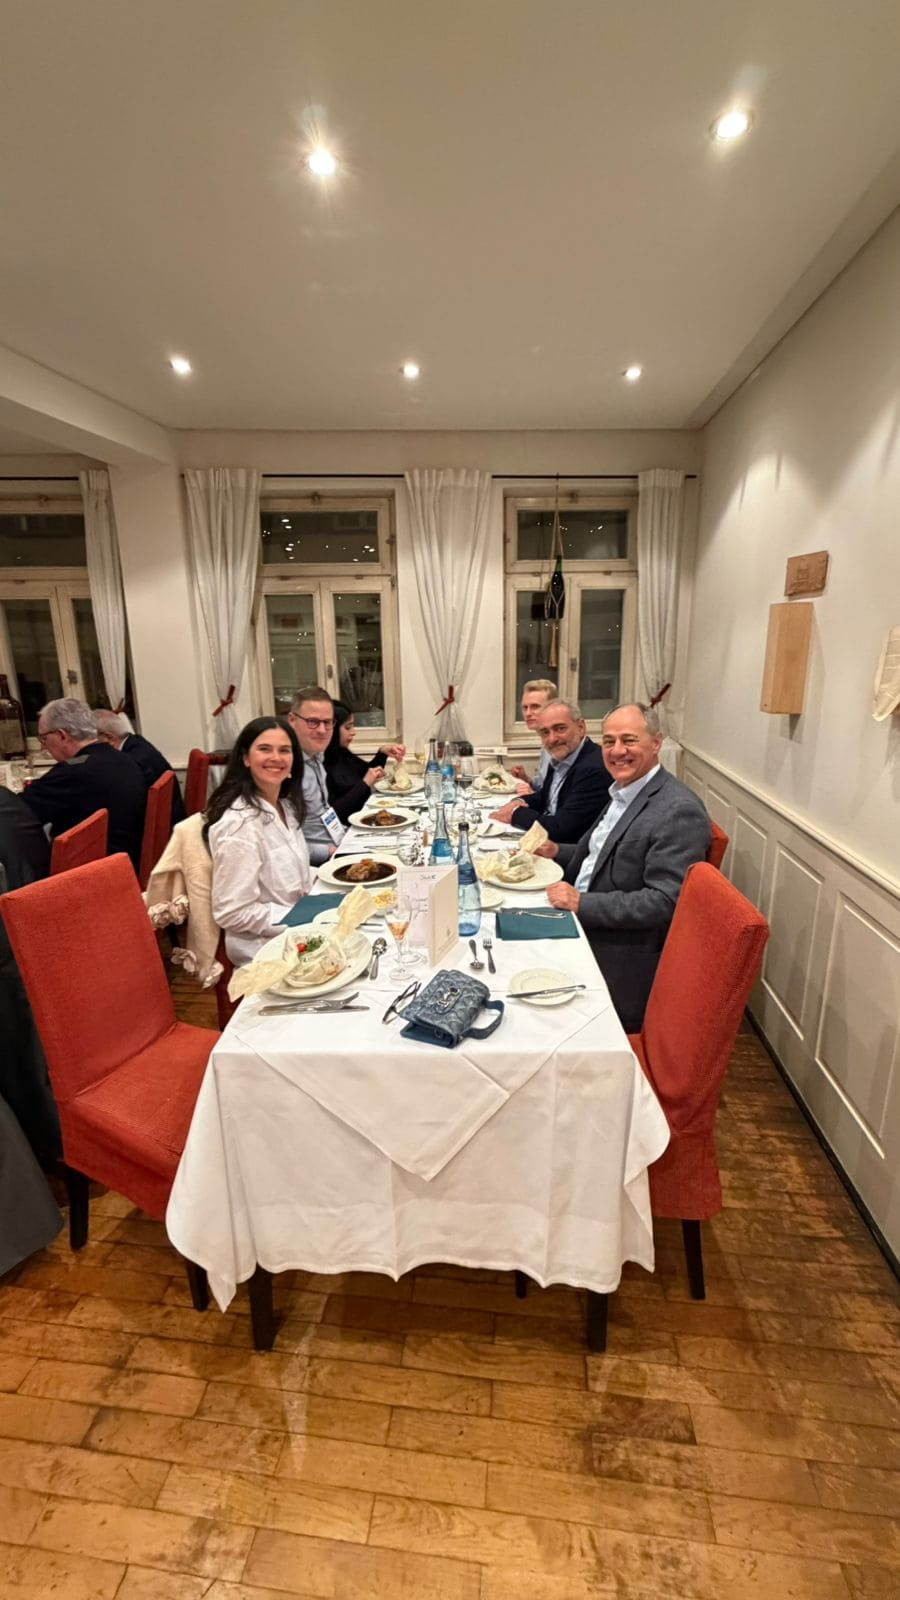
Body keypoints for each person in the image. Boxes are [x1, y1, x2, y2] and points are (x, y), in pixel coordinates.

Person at [540, 702, 711, 1032]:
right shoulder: (624, 790)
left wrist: (582, 902)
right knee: (499, 929)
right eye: (609, 741)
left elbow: (666, 902)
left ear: (656, 743)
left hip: (616, 948)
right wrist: (556, 850)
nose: (617, 751)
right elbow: (599, 854)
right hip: (578, 917)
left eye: (629, 740)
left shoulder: (677, 810)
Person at [206, 716, 312, 966]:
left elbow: (292, 874)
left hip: (301, 933)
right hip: (266, 953)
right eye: (265, 749)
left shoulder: (286, 807)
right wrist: (301, 918)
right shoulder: (240, 825)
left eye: (284, 750)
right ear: (245, 758)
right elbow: (232, 912)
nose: (276, 758)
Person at [23, 697, 149, 873]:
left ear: (61, 735)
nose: (44, 747)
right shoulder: (122, 758)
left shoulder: (72, 772)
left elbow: (20, 812)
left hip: (93, 872)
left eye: (44, 738)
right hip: (126, 860)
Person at [490, 698, 611, 844]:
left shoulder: (594, 768)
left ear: (580, 727)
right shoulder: (563, 756)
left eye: (560, 729)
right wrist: (519, 801)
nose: (552, 739)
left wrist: (515, 813)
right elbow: (547, 797)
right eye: (545, 732)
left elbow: (563, 829)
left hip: (568, 851)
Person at [93, 708, 186, 822]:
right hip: (168, 819)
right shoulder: (137, 742)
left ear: (109, 738)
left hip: (159, 824)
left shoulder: (131, 761)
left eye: (94, 740)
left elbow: (129, 806)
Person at [286, 685, 344, 864]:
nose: (322, 730)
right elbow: (284, 844)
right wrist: (331, 852)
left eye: (327, 722)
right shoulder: (285, 769)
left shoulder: (316, 756)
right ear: (292, 720)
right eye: (313, 722)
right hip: (316, 862)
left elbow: (323, 814)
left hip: (337, 841)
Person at [323, 700, 406, 823]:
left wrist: (382, 753)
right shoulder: (323, 763)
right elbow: (335, 813)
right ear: (333, 729)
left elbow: (364, 772)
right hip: (347, 826)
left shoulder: (341, 752)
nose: (353, 732)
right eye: (348, 727)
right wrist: (366, 782)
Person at [509, 678, 557, 791]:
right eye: (525, 708)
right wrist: (526, 780)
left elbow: (555, 795)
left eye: (535, 707)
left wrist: (532, 795)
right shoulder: (544, 740)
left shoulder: (560, 743)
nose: (528, 713)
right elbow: (542, 786)